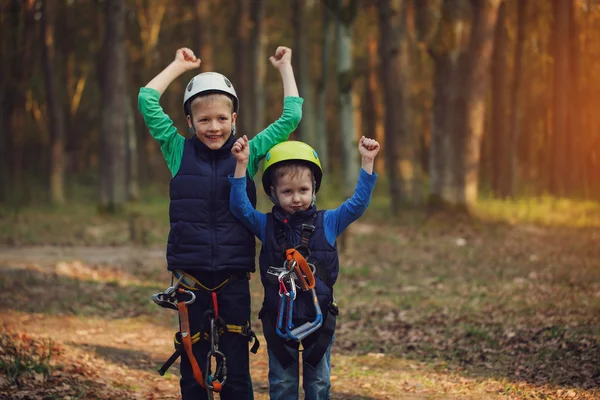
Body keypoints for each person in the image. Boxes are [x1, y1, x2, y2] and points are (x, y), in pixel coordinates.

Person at [138, 46, 302, 399]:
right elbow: (147, 99)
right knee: (193, 365)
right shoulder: (176, 150)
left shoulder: (249, 151)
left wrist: (285, 67)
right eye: (204, 120)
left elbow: (290, 118)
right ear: (189, 122)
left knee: (237, 369)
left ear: (234, 118)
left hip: (233, 273)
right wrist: (177, 66)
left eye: (221, 119)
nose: (214, 127)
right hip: (190, 274)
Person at [229, 136, 380, 399]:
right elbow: (240, 208)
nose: (296, 198)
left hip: (319, 319)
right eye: (287, 192)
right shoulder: (266, 226)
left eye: (303, 190)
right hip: (279, 320)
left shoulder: (329, 222)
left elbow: (357, 205)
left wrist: (367, 161)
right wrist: (241, 165)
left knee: (319, 383)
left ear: (314, 189)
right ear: (273, 192)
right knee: (282, 384)